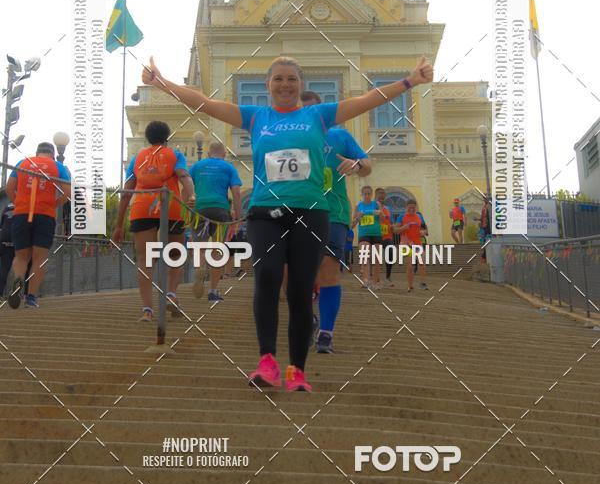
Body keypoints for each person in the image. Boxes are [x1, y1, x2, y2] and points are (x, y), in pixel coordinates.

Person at [141, 54, 433, 392]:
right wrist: (161, 83)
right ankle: (267, 362)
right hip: (266, 210)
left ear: (301, 85)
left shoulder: (318, 116)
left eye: (291, 79)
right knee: (266, 275)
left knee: (299, 288)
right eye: (278, 79)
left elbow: (368, 99)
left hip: (311, 212)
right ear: (268, 85)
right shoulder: (255, 116)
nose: (285, 84)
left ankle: (296, 368)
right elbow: (205, 104)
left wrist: (410, 81)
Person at [300, 90, 372, 354]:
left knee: (328, 270)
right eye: (303, 111)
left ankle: (326, 333)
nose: (309, 116)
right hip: (297, 213)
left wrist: (356, 165)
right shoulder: (289, 137)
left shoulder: (339, 136)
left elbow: (367, 164)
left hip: (334, 214)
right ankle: (308, 319)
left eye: (313, 111)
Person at [112, 121, 195, 321]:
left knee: (145, 260)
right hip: (170, 207)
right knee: (175, 255)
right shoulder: (175, 155)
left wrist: (118, 225)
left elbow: (126, 193)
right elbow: (184, 177)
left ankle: (147, 310)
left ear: (147, 138)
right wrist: (190, 198)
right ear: (167, 137)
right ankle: (171, 294)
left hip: (142, 208)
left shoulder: (137, 158)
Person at [5, 142, 71, 309]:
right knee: (39, 258)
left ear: (36, 152)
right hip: (45, 215)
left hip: (21, 214)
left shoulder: (23, 163)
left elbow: (9, 188)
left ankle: (18, 278)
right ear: (53, 154)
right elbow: (68, 192)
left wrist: (19, 203)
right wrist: (54, 204)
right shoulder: (58, 167)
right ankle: (31, 298)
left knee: (21, 256)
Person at [189, 141, 242, 302]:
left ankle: (200, 268)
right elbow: (237, 192)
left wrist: (188, 202)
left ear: (208, 153)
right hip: (220, 210)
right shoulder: (228, 168)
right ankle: (213, 291)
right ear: (224, 154)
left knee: (200, 246)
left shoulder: (197, 166)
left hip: (199, 209)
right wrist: (237, 217)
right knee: (219, 250)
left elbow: (186, 186)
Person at [352, 186, 383, 291]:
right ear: (362, 194)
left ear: (372, 194)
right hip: (364, 234)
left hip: (376, 233)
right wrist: (358, 217)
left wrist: (380, 213)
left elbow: (383, 220)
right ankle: (366, 280)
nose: (367, 196)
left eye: (369, 194)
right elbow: (352, 225)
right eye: (365, 194)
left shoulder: (376, 204)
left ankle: (375, 282)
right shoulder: (358, 206)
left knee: (377, 258)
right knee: (364, 256)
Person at [395, 199, 429, 292]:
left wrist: (423, 232)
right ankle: (410, 285)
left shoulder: (419, 216)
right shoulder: (401, 216)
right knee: (410, 266)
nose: (412, 210)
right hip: (405, 243)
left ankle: (423, 283)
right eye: (410, 208)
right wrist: (404, 227)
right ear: (406, 207)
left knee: (422, 263)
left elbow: (427, 231)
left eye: (413, 208)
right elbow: (395, 230)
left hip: (418, 243)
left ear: (416, 207)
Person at [375, 188, 395, 286]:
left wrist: (392, 226)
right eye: (380, 194)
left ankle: (388, 276)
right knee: (375, 257)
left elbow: (391, 222)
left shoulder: (388, 209)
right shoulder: (372, 206)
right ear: (375, 195)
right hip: (375, 235)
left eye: (383, 194)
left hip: (387, 236)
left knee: (391, 253)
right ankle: (373, 277)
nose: (382, 195)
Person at [0, 203, 15, 298]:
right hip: (11, 243)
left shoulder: (6, 207)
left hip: (2, 240)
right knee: (4, 270)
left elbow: (2, 225)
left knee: (3, 270)